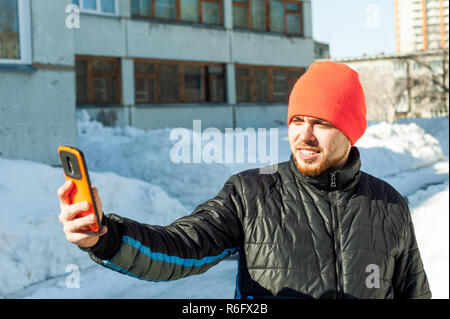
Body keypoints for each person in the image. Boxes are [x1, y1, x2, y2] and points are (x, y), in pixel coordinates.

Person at [57, 61, 431, 299]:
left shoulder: (390, 206)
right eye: (297, 120)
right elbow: (182, 246)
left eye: (321, 123)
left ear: (351, 131)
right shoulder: (252, 192)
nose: (304, 135)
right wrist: (106, 238)